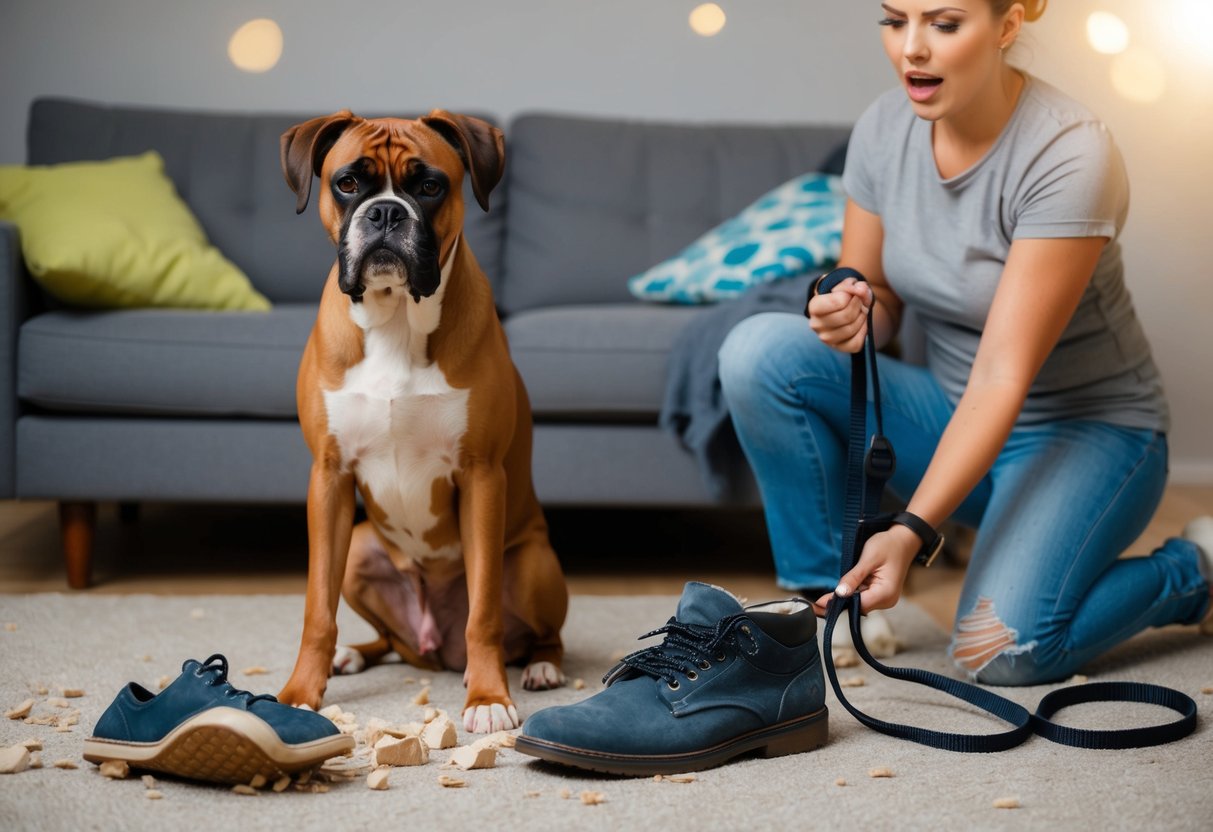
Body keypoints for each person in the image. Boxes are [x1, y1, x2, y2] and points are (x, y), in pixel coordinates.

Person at [718, 0, 1213, 684]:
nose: (910, 48)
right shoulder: (881, 129)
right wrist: (853, 315)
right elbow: (880, 302)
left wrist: (910, 531)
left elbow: (1001, 376)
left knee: (997, 652)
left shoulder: (1069, 152)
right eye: (894, 21)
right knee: (756, 353)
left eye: (943, 24)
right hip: (952, 419)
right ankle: (825, 603)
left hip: (1089, 433)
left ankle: (1194, 571)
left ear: (1006, 27)